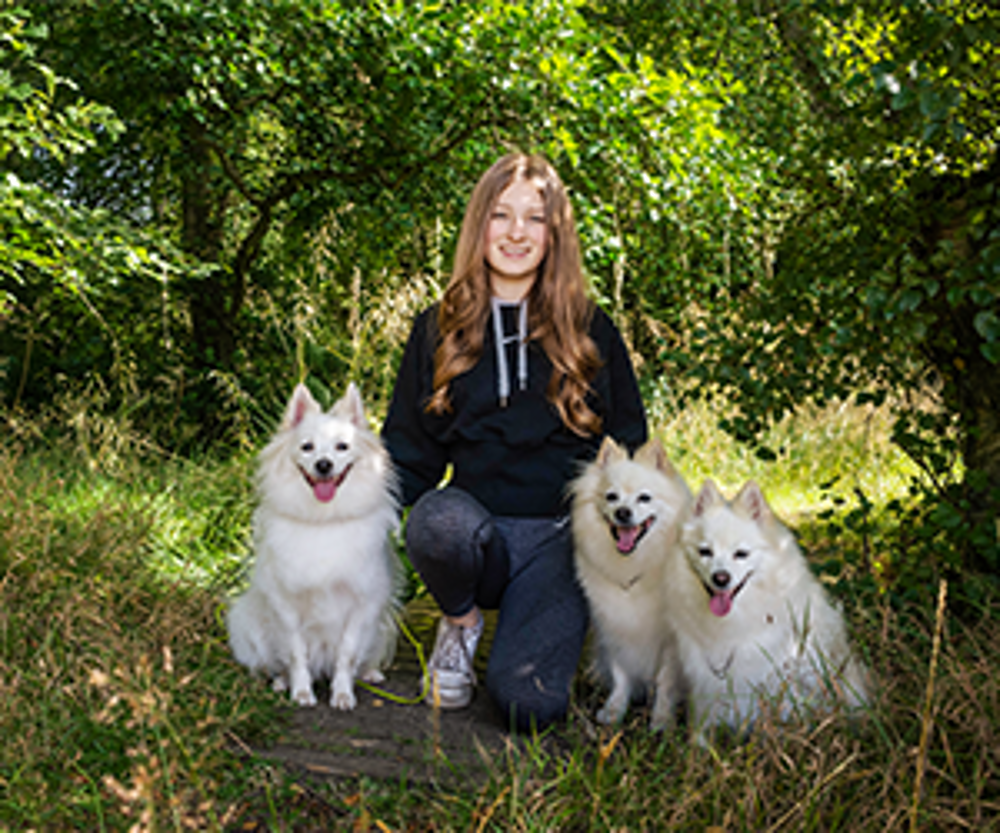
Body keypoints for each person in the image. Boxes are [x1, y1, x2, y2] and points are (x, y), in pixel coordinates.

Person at [381, 152, 648, 733]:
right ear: (479, 225)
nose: (516, 233)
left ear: (556, 233)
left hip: (560, 543)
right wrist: (343, 526)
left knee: (530, 708)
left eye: (535, 218)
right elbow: (408, 452)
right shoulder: (437, 328)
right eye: (501, 216)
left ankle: (536, 638)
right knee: (436, 521)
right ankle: (460, 622)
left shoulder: (592, 329)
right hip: (474, 535)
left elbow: (627, 448)